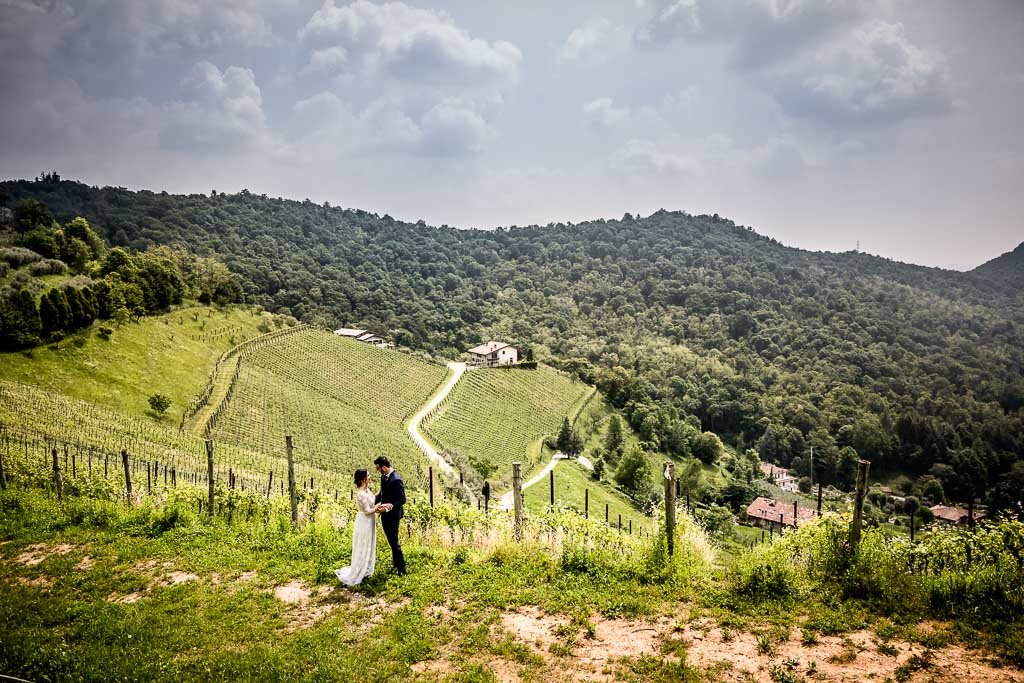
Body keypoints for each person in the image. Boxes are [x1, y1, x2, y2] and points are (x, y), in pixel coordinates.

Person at [334, 469, 382, 586]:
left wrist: (382, 490)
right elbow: (367, 511)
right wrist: (377, 508)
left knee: (368, 543)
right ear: (363, 479)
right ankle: (360, 569)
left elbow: (373, 499)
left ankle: (366, 568)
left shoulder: (366, 490)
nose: (370, 477)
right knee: (363, 544)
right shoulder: (361, 494)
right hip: (364, 522)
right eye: (368, 475)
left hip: (369, 521)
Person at [373, 455, 406, 575]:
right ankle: (396, 564)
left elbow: (402, 499)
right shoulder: (384, 477)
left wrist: (388, 506)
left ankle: (402, 569)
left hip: (393, 516)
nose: (377, 471)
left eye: (378, 468)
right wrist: (371, 502)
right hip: (385, 515)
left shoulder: (396, 480)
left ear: (385, 467)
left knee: (394, 542)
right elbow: (382, 493)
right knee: (392, 541)